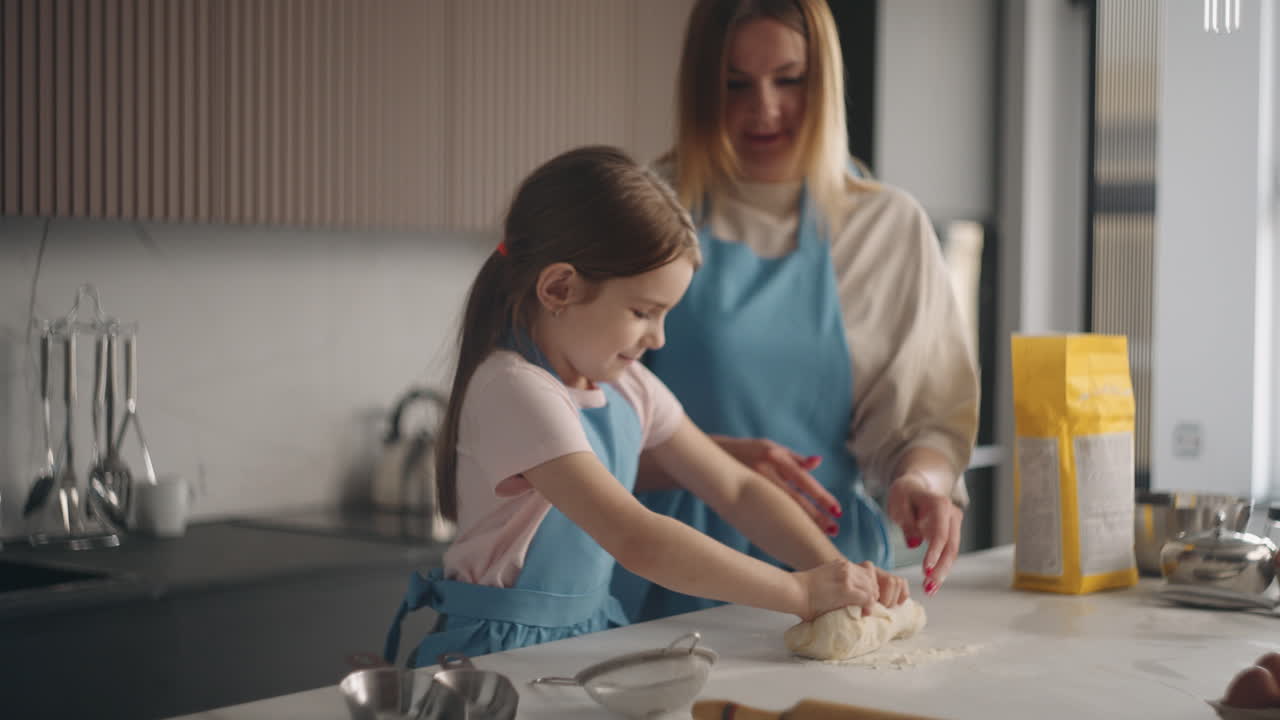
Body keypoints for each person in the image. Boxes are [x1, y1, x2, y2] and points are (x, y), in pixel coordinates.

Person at [382, 145, 910, 667]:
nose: (657, 339)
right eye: (642, 312)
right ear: (560, 287)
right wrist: (800, 594)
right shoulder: (515, 389)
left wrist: (840, 573)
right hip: (498, 656)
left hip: (586, 642)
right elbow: (637, 539)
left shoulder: (626, 385)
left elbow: (739, 487)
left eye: (665, 316)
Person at [614, 0, 979, 622]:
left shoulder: (885, 228)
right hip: (667, 570)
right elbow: (585, 430)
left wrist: (923, 484)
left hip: (832, 569)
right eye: (735, 84)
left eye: (790, 80)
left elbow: (923, 424)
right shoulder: (641, 213)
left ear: (827, 82)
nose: (765, 108)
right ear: (699, 87)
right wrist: (708, 463)